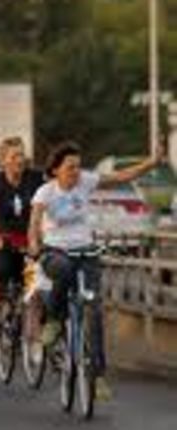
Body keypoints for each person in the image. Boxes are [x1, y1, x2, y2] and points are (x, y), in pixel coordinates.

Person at [29, 142, 164, 401]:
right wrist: (34, 244)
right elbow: (34, 222)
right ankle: (55, 320)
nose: (76, 172)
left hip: (86, 252)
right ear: (56, 169)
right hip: (55, 252)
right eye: (70, 167)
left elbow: (121, 176)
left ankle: (98, 376)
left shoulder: (85, 181)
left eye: (79, 167)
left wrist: (151, 162)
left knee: (94, 311)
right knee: (64, 270)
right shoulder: (46, 192)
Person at [0, 137, 45, 338]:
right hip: (3, 239)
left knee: (33, 284)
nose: (20, 160)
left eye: (22, 154)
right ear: (3, 161)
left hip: (30, 240)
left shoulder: (35, 178)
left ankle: (33, 336)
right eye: (14, 155)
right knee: (0, 270)